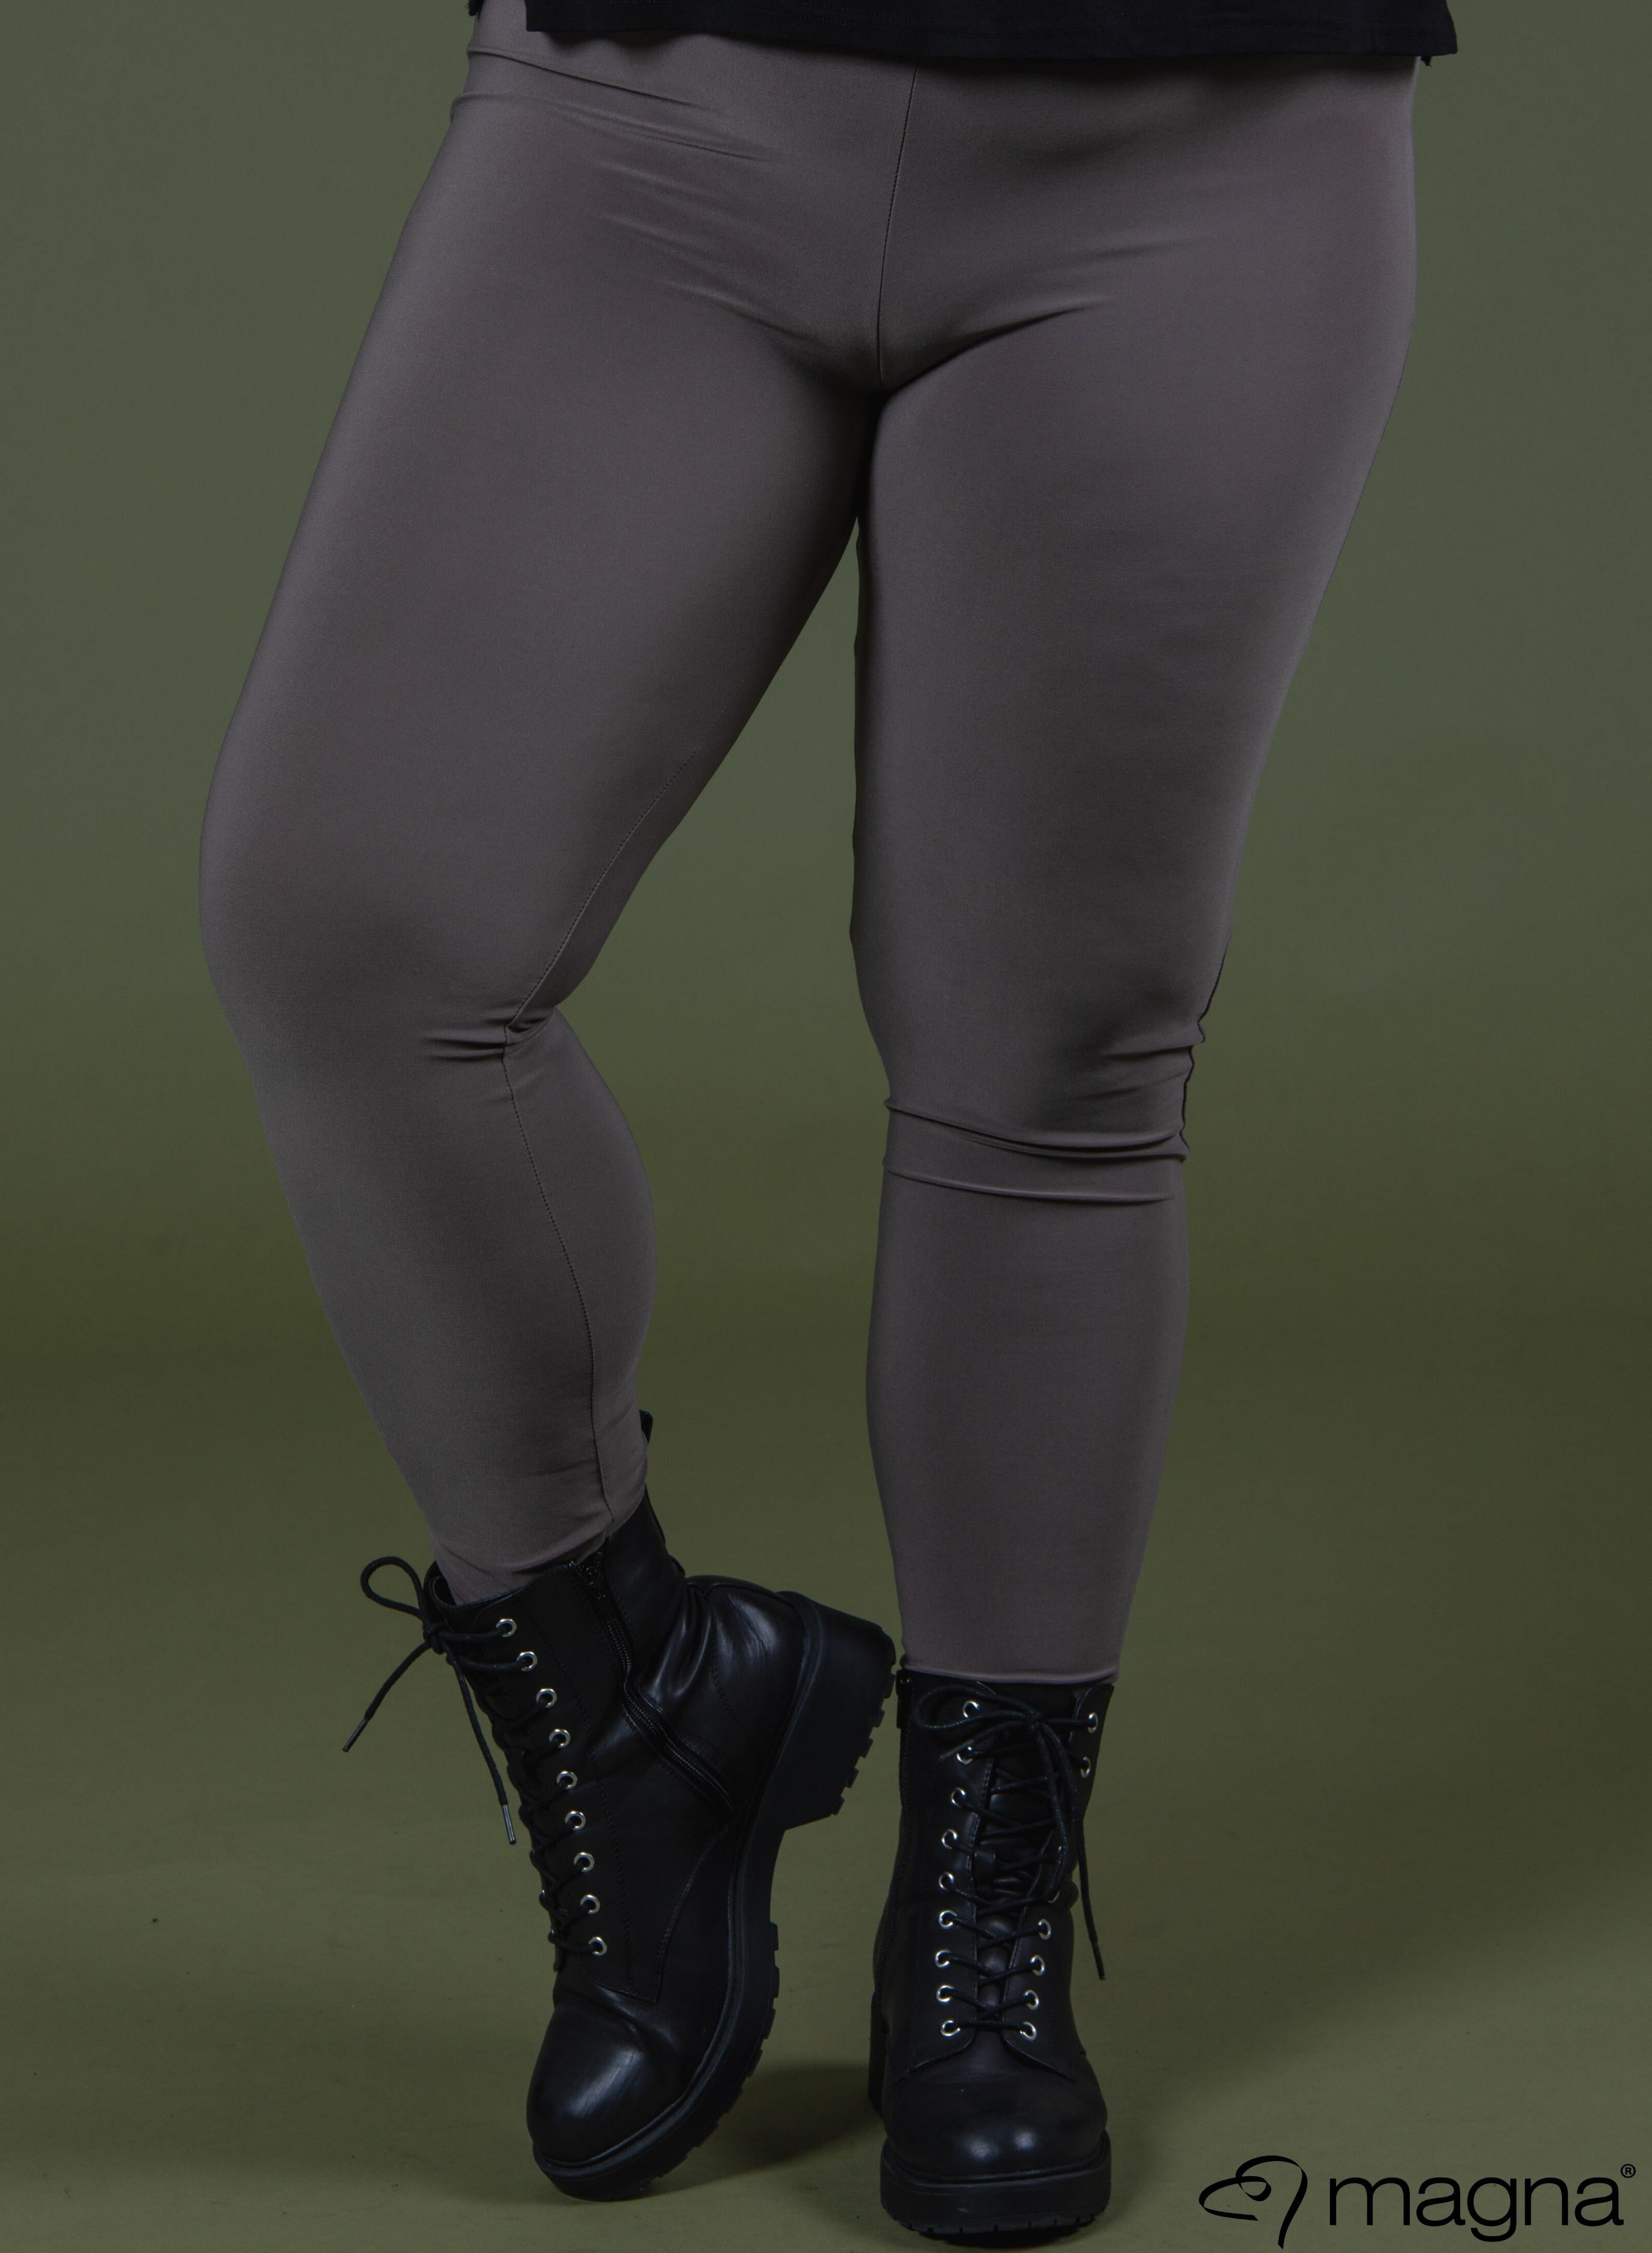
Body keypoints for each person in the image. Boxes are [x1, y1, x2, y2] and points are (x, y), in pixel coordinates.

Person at [198, 0, 1456, 2237]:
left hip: (1209, 143)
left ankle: (980, 1920)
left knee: (1048, 1046)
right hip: (651, 103)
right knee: (349, 930)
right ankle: (644, 1707)